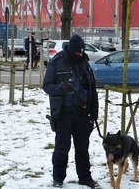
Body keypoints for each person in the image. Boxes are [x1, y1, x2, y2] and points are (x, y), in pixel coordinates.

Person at [43, 34, 99, 188]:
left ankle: (85, 178)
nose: (81, 55)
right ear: (71, 51)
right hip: (63, 114)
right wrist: (61, 88)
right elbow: (46, 86)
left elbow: (92, 89)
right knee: (62, 149)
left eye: (82, 52)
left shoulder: (85, 63)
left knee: (83, 150)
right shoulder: (56, 62)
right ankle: (58, 178)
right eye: (78, 53)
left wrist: (94, 111)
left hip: (82, 114)